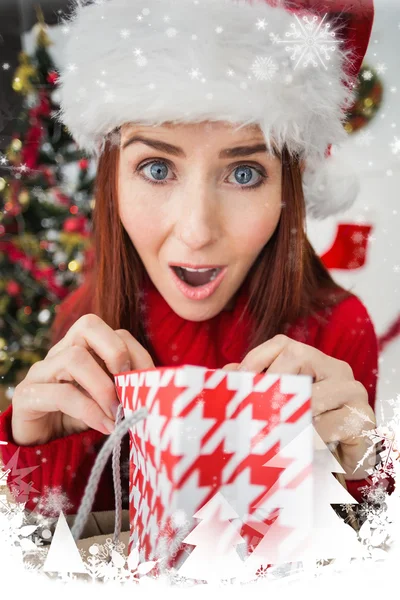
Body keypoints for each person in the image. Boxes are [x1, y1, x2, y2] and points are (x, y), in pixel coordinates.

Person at [0, 0, 393, 519]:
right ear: (112, 181)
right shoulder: (88, 321)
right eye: (158, 168)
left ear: (289, 191)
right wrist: (29, 448)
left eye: (245, 172)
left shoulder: (337, 330)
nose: (197, 232)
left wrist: (367, 475)